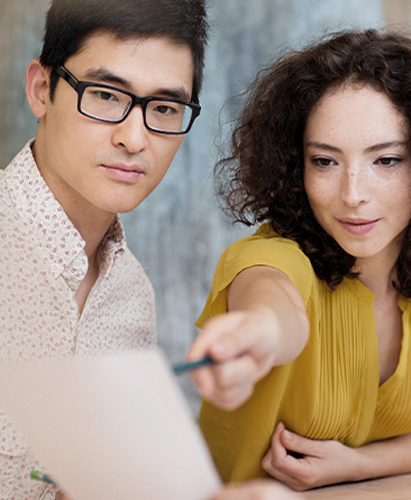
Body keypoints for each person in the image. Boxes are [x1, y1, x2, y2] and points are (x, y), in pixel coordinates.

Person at [0, 0, 297, 498]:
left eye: (163, 108)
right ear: (40, 90)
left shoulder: (130, 294)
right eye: (105, 95)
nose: (134, 138)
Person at [188, 29, 411, 490]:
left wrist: (355, 465)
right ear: (296, 166)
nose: (353, 195)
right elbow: (274, 306)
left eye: (386, 161)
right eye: (325, 162)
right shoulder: (268, 255)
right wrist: (259, 332)